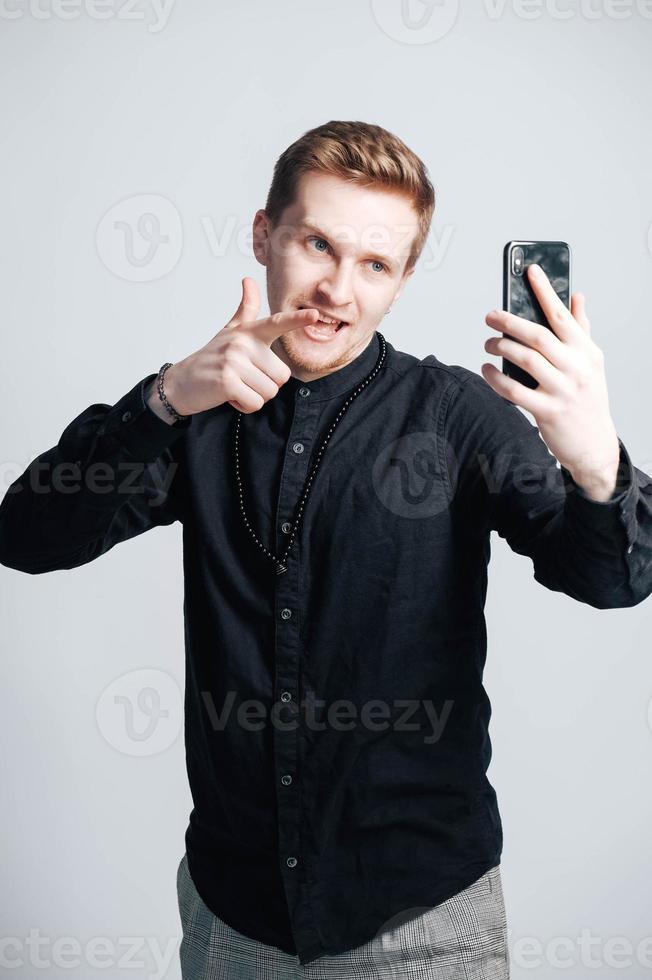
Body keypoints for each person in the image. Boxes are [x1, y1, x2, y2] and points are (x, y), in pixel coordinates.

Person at [2, 120, 652, 980]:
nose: (337, 291)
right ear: (264, 234)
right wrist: (161, 400)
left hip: (423, 924)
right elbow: (26, 537)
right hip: (235, 916)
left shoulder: (456, 415)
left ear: (403, 279)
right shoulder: (198, 406)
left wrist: (596, 459)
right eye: (318, 244)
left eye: (376, 265)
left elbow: (610, 579)